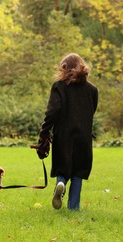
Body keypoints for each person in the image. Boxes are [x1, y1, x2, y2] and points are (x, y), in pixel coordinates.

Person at [38, 53, 98, 211]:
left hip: (63, 134)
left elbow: (52, 112)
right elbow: (91, 111)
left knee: (62, 166)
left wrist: (44, 133)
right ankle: (73, 207)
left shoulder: (59, 86)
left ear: (65, 68)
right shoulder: (92, 90)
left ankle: (61, 183)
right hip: (84, 136)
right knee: (78, 171)